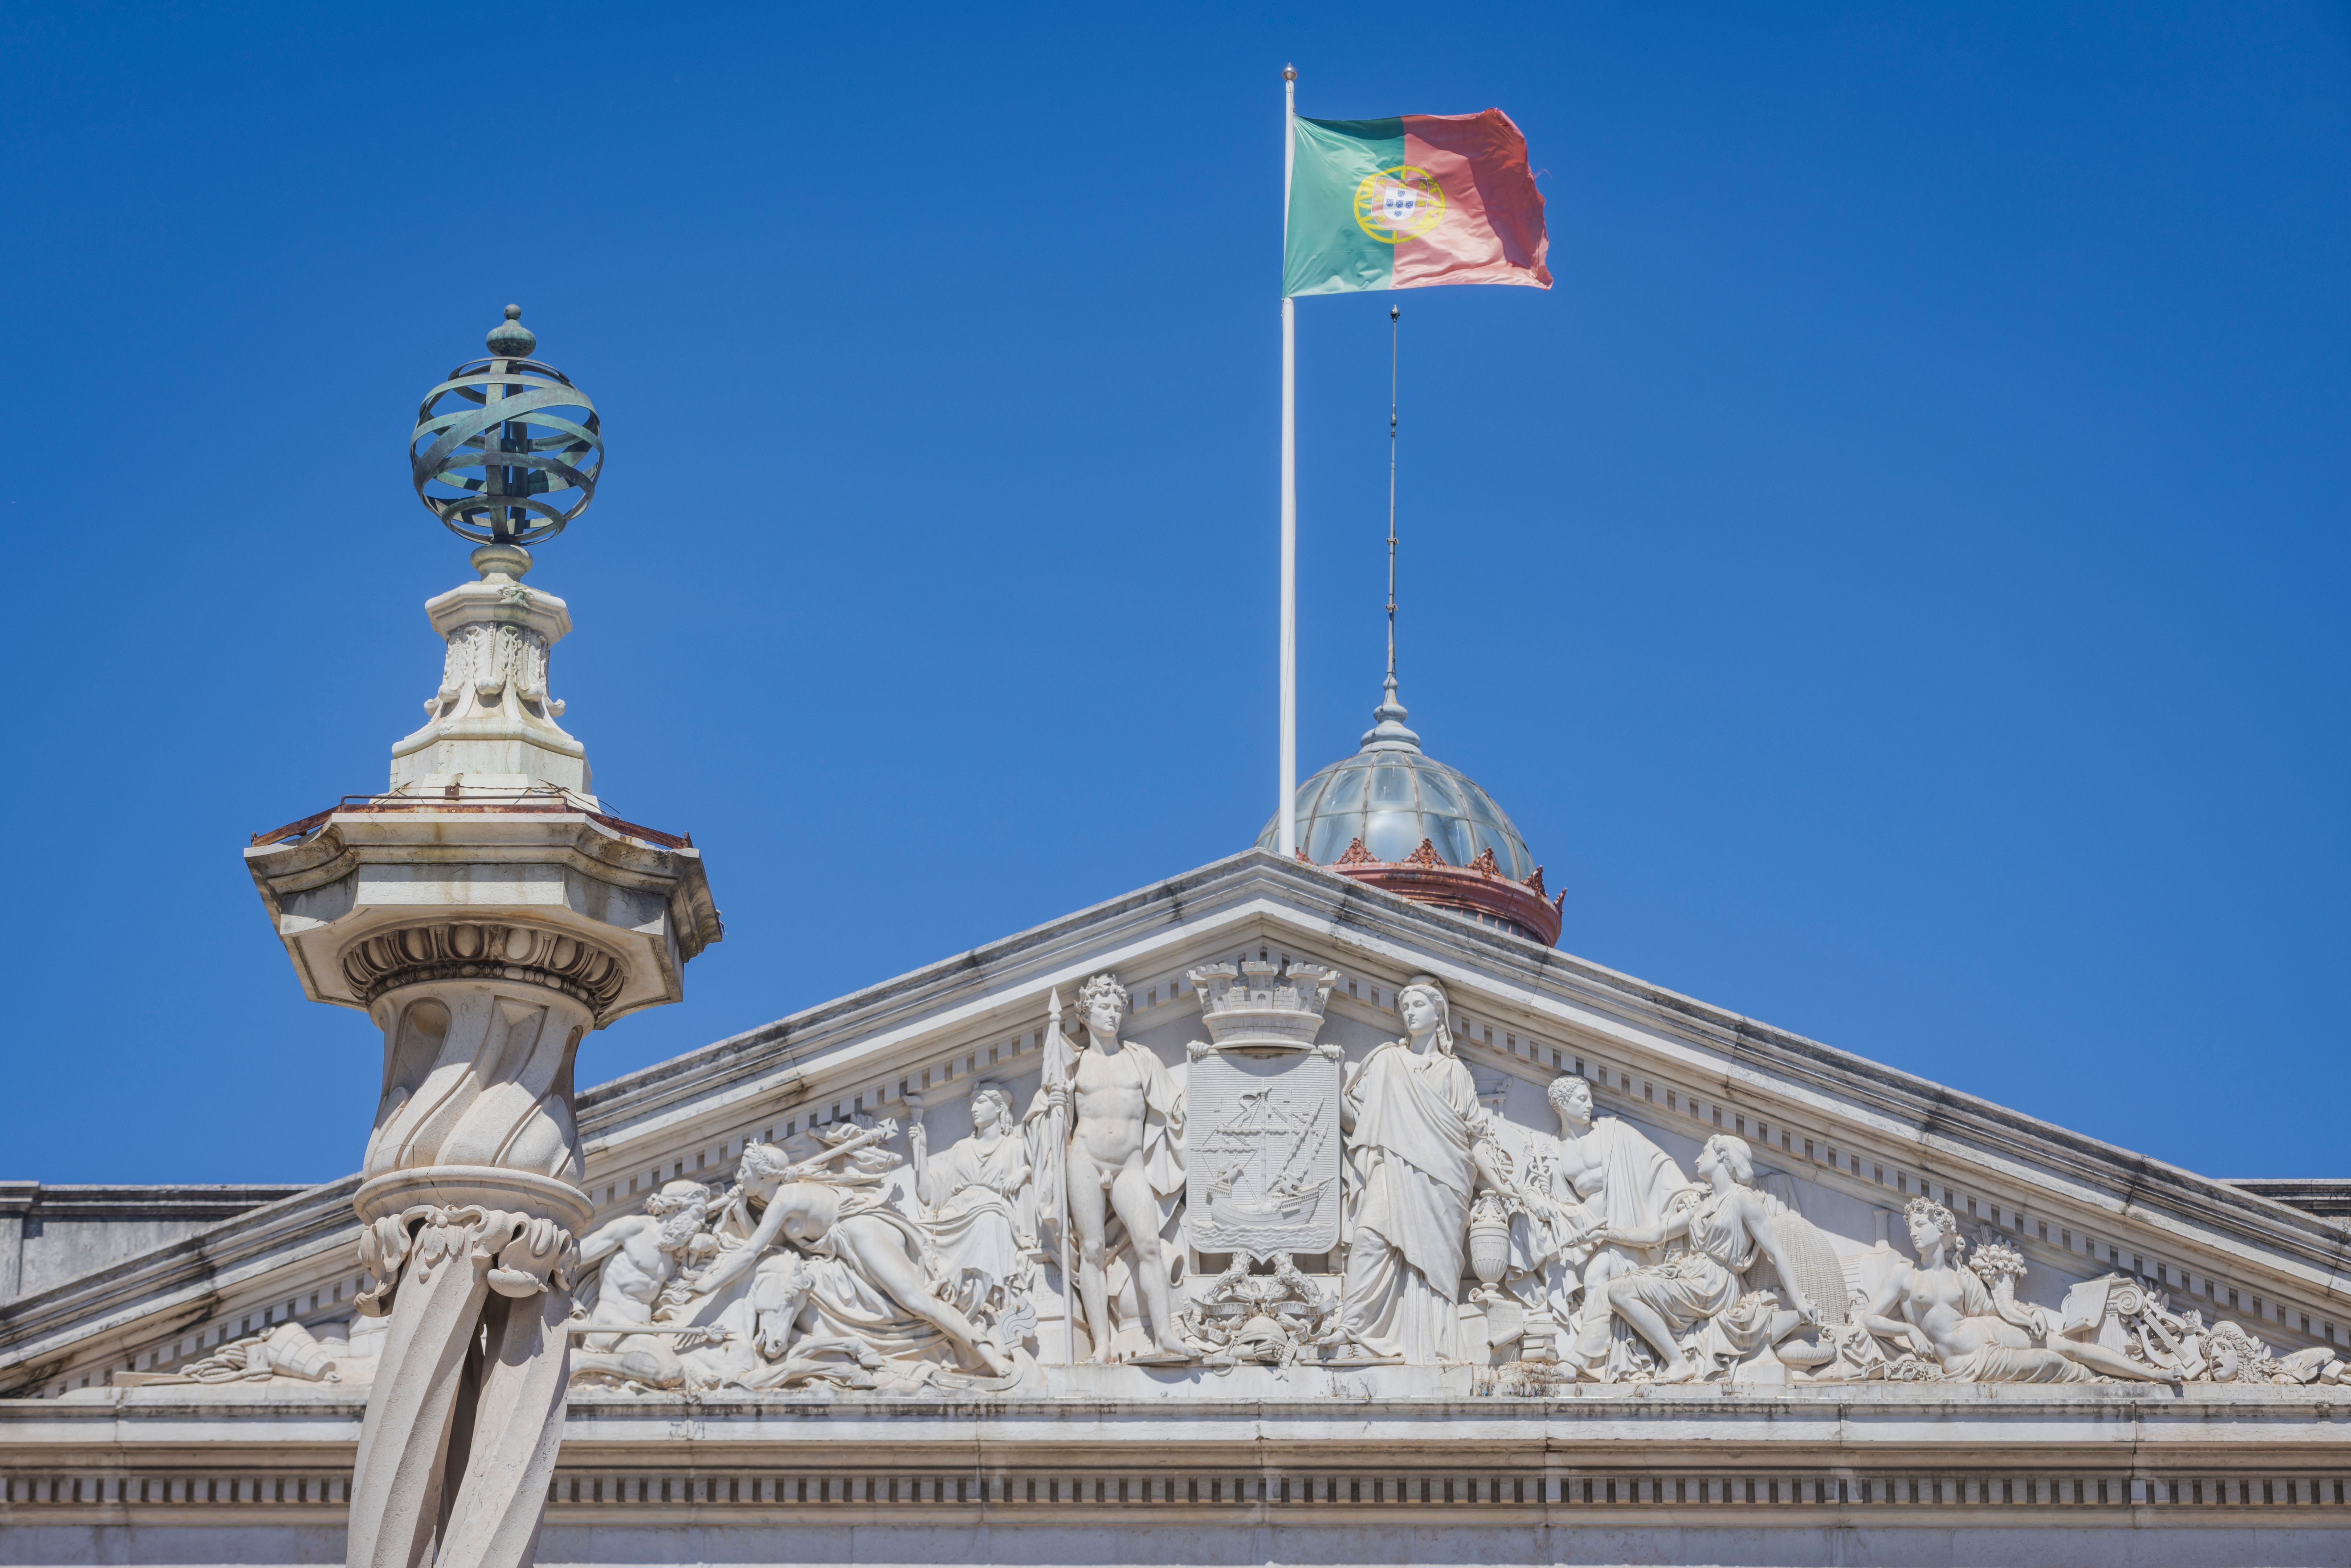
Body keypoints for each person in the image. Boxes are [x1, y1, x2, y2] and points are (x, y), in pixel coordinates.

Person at [694, 1134, 1010, 1376]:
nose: (737, 1176)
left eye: (744, 1171)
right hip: (844, 1249)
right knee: (908, 1304)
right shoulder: (778, 1203)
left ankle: (987, 1351)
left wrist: (707, 1285)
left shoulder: (787, 1197)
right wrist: (738, 1212)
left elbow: (751, 1250)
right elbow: (764, 1244)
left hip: (861, 1233)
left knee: (916, 1301)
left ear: (764, 1177)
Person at [1332, 975, 1514, 1363]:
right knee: (1368, 1239)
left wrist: (1502, 1183)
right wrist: (1328, 1085)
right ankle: (1356, 1327)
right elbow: (1356, 1121)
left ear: (1439, 1013)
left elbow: (1475, 1138)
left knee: (1433, 1262)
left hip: (1443, 1186)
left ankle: (1433, 1343)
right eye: (1405, 1007)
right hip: (1391, 1169)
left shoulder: (1455, 1074)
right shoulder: (1386, 1062)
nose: (1409, 1013)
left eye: (1418, 1005)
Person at [1029, 973, 1187, 1362]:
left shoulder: (1141, 1060)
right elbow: (1042, 1117)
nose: (1112, 1014)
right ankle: (1102, 1345)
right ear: (1084, 1014)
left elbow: (1175, 1109)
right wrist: (1049, 1109)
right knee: (1093, 1250)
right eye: (1103, 1006)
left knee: (1149, 1244)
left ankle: (1164, 1335)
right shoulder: (1072, 1066)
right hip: (1085, 1158)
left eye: (1118, 1007)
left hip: (1130, 1164)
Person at [1596, 1134, 1823, 1383]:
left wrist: (1799, 1301)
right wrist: (1606, 1233)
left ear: (1722, 1156)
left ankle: (1678, 1362)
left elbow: (1776, 1252)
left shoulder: (1743, 1200)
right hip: (1690, 1275)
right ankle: (1676, 1359)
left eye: (1703, 1153)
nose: (1696, 1159)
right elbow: (1655, 1234)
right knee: (1619, 1291)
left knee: (1621, 1293)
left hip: (1714, 1284)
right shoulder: (1700, 1207)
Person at [1858, 1198, 2160, 1383]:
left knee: (2067, 1346)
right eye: (1910, 1226)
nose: (1912, 1232)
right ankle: (2102, 1380)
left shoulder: (1961, 1277)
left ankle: (2152, 1374)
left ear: (1941, 1230)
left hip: (1988, 1331)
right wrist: (1908, 1331)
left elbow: (2000, 1310)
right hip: (1967, 1361)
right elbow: (1870, 1318)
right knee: (2052, 1362)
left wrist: (2032, 1315)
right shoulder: (1904, 1274)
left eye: (1920, 1224)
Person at [568, 1180, 711, 1387]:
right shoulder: (633, 1229)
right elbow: (573, 1257)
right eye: (698, 1212)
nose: (701, 1221)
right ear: (676, 1207)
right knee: (671, 1372)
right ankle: (584, 1361)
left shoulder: (674, 1251)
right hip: (612, 1326)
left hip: (642, 1330)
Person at [909, 1083, 1033, 1314]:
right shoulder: (961, 1148)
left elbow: (1048, 1170)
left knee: (989, 1220)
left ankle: (984, 1298)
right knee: (917, 1232)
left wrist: (1025, 1172)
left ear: (999, 1108)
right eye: (972, 1103)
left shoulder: (1014, 1146)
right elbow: (929, 1194)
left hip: (990, 1209)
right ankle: (922, 1301)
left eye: (981, 1101)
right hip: (956, 1212)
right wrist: (921, 1150)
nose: (974, 1108)